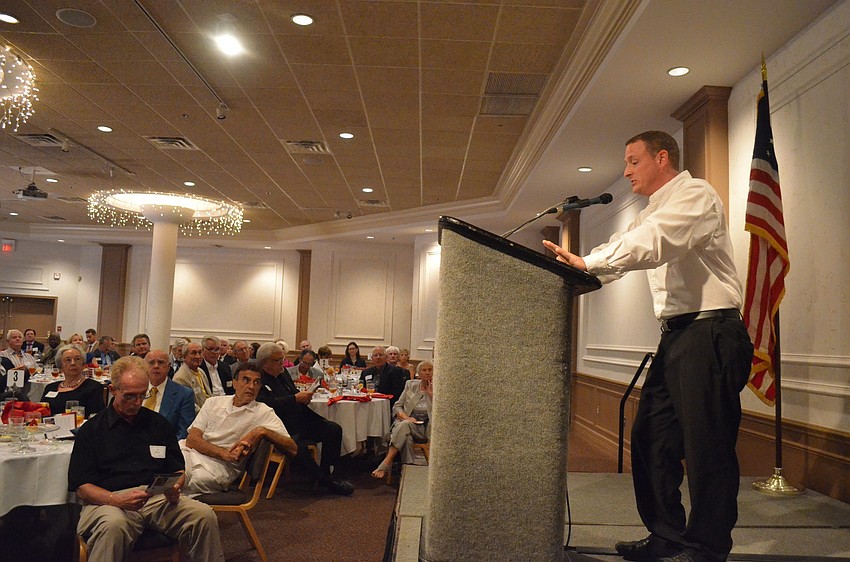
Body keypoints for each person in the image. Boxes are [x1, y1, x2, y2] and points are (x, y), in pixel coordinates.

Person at [543, 131, 754, 562]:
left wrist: (593, 264)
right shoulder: (654, 210)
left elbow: (656, 243)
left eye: (633, 162)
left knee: (706, 447)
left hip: (710, 333)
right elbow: (622, 253)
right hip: (677, 337)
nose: (625, 172)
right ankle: (667, 536)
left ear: (662, 158)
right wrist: (577, 272)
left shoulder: (695, 194)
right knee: (650, 438)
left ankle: (706, 547)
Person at [69, 356, 225, 562]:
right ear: (113, 390)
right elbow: (82, 487)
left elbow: (177, 470)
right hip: (107, 501)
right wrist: (116, 500)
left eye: (142, 396)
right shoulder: (92, 430)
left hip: (155, 498)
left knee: (203, 515)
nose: (136, 403)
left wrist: (176, 486)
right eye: (129, 396)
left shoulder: (158, 424)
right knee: (113, 525)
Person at [182, 363, 298, 495]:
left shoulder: (263, 412)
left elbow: (292, 448)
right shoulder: (213, 402)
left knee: (185, 480)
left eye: (256, 382)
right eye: (246, 380)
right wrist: (223, 453)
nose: (251, 386)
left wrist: (261, 431)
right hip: (191, 453)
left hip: (219, 468)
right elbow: (192, 440)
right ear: (235, 383)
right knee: (166, 471)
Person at [254, 343, 354, 495]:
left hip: (299, 420)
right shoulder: (257, 379)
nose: (282, 363)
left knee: (333, 429)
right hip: (279, 426)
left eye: (282, 359)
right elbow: (264, 404)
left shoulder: (282, 373)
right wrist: (294, 398)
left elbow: (294, 394)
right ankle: (326, 482)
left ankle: (326, 472)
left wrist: (303, 398)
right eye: (277, 360)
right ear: (264, 363)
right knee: (298, 447)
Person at [371, 360, 433, 479]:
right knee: (406, 435)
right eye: (424, 370)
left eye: (430, 370)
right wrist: (407, 417)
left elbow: (441, 412)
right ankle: (407, 471)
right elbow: (397, 406)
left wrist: (431, 395)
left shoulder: (439, 389)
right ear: (419, 374)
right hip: (407, 424)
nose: (427, 373)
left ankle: (386, 462)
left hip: (425, 428)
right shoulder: (410, 385)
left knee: (404, 426)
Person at [40, 344, 105, 417]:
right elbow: (41, 413)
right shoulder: (50, 387)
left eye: (77, 359)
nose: (73, 363)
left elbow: (96, 418)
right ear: (60, 366)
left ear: (83, 365)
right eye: (68, 360)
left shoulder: (93, 387)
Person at [144, 350, 195, 439]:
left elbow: (183, 432)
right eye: (151, 363)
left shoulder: (184, 395)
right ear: (145, 367)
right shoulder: (137, 390)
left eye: (160, 362)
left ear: (168, 367)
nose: (156, 366)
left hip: (164, 447)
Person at [172, 342, 210, 413]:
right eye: (194, 353)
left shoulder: (201, 372)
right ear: (184, 356)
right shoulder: (180, 378)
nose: (198, 356)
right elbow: (189, 405)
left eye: (200, 353)